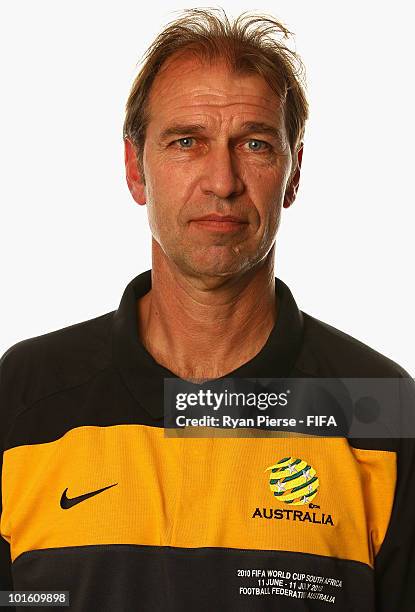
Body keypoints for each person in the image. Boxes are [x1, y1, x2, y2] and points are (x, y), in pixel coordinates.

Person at [0, 8, 413, 611]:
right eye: (186, 142)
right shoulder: (23, 397)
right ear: (134, 169)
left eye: (254, 144)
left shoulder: (381, 410)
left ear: (293, 173)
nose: (222, 180)